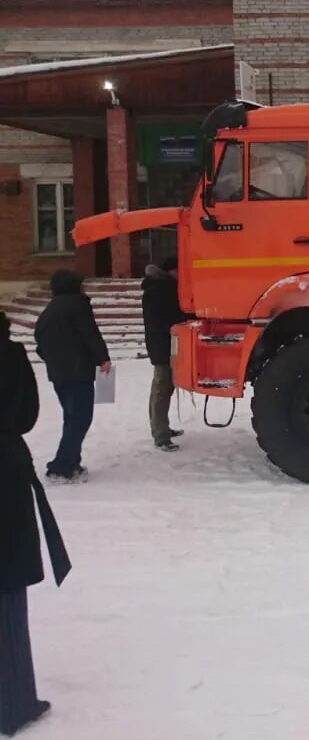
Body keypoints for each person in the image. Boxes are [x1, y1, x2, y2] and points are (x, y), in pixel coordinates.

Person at [0, 312, 70, 736]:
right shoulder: (9, 354)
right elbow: (26, 415)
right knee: (6, 591)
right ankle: (12, 701)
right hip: (4, 472)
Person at [33, 270, 110, 482]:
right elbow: (89, 333)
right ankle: (61, 467)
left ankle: (72, 462)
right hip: (78, 372)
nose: (83, 288)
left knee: (71, 417)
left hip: (59, 373)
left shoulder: (50, 309)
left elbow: (39, 338)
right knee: (80, 418)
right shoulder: (78, 304)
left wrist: (53, 358)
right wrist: (103, 358)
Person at [141, 257, 187, 451]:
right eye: (178, 271)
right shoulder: (159, 290)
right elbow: (164, 319)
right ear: (170, 271)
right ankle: (160, 435)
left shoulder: (159, 288)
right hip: (163, 346)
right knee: (162, 389)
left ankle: (162, 429)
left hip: (163, 344)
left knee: (162, 388)